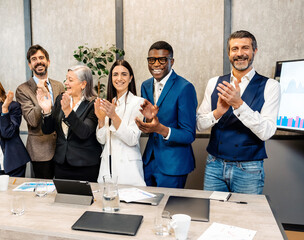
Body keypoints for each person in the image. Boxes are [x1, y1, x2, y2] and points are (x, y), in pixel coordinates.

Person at [196, 30, 280, 194]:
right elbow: (199, 124)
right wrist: (218, 113)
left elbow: (267, 132)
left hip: (249, 168)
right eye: (235, 49)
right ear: (229, 53)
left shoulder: (271, 86)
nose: (240, 54)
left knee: (245, 217)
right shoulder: (214, 83)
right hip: (214, 165)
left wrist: (239, 105)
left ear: (254, 51)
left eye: (245, 48)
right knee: (213, 213)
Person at [135, 41, 197, 188]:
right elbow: (150, 121)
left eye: (162, 60)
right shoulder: (146, 85)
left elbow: (189, 134)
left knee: (168, 210)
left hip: (174, 164)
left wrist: (159, 128)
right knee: (147, 208)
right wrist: (148, 120)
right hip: (149, 160)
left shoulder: (185, 88)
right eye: (151, 60)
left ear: (171, 61)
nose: (156, 64)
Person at [37, 65, 102, 182]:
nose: (66, 83)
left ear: (83, 84)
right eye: (66, 79)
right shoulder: (60, 99)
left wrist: (68, 111)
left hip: (85, 165)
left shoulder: (93, 104)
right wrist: (46, 111)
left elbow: (84, 132)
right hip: (62, 164)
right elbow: (48, 130)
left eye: (70, 80)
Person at [16, 44, 65, 179]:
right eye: (34, 59)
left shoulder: (59, 85)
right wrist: (42, 99)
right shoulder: (22, 90)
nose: (38, 61)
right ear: (30, 65)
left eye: (41, 57)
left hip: (62, 148)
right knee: (44, 192)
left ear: (48, 62)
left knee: (63, 189)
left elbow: (63, 115)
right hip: (40, 151)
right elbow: (32, 120)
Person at [95, 60, 146, 186]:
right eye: (115, 74)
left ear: (130, 78)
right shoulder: (108, 103)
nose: (119, 78)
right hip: (107, 168)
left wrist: (113, 116)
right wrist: (101, 120)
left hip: (129, 170)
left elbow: (132, 139)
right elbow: (102, 140)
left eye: (124, 74)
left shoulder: (139, 103)